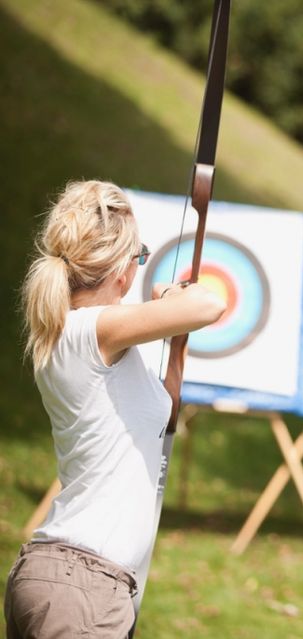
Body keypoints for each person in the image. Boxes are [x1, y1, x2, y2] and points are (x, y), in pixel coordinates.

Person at [4, 181, 225, 639]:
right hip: (82, 586)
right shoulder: (92, 329)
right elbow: (210, 302)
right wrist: (171, 300)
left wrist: (176, 343)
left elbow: (159, 415)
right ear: (122, 269)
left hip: (70, 581)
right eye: (139, 256)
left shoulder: (81, 337)